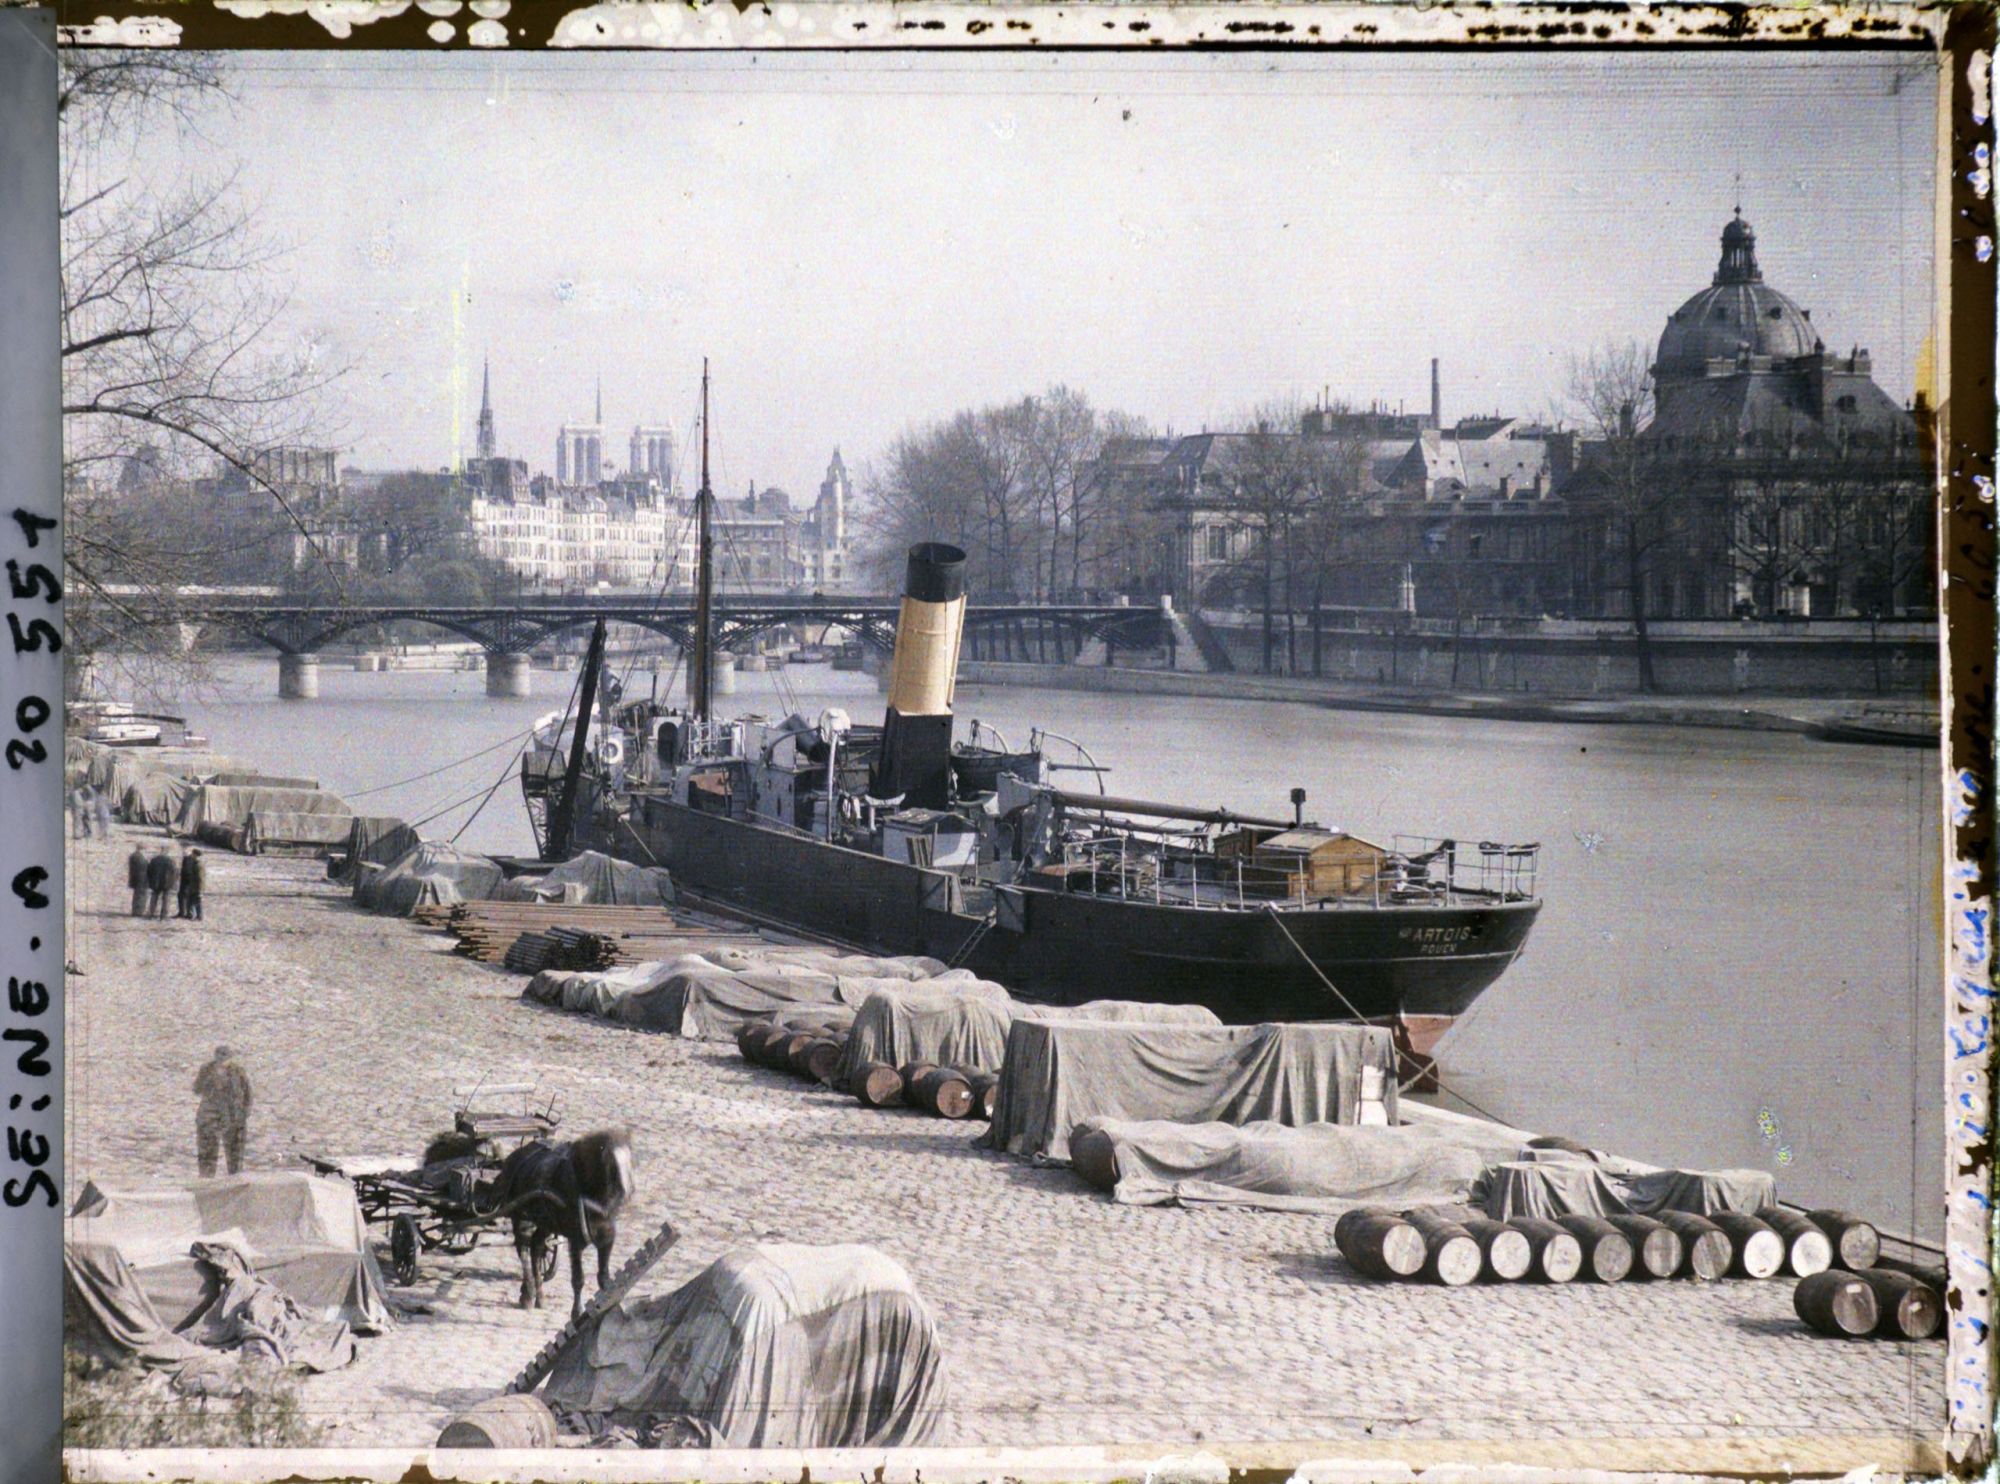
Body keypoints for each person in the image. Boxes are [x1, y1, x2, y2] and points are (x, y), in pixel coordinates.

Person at [193, 1047, 252, 1177]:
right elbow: (196, 1089)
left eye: (225, 1056)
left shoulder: (238, 1071)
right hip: (210, 1117)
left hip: (233, 1117)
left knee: (235, 1158)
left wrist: (244, 1113)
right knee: (207, 1156)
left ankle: (235, 1182)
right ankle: (206, 1182)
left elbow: (247, 1094)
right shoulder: (207, 1069)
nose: (222, 1059)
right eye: (219, 1055)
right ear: (215, 1056)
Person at [145, 847, 178, 920]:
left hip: (156, 882)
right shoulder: (171, 861)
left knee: (154, 898)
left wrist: (150, 880)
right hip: (167, 883)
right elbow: (174, 873)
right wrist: (173, 883)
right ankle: (163, 916)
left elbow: (149, 871)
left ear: (161, 851)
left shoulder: (154, 860)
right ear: (167, 852)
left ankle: (151, 914)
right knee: (166, 899)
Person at [179, 848, 205, 921]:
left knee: (195, 901)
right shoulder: (197, 863)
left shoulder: (198, 865)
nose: (191, 855)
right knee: (193, 901)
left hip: (196, 887)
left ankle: (197, 916)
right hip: (194, 886)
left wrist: (200, 889)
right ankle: (193, 915)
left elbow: (200, 878)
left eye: (193, 854)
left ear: (195, 855)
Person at [126, 843, 150, 916]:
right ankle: (139, 911)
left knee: (137, 895)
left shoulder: (133, 856)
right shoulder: (140, 858)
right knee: (141, 896)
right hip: (141, 879)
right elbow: (143, 868)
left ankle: (135, 910)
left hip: (135, 878)